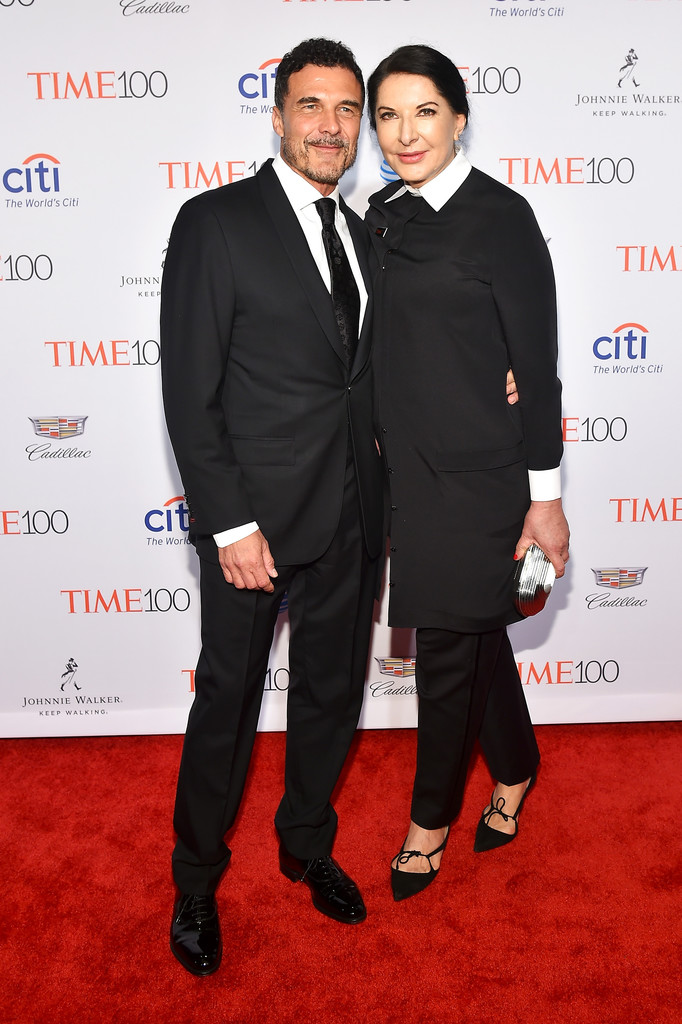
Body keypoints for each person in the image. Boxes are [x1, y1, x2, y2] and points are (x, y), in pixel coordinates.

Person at [160, 38, 385, 975]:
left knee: (333, 692)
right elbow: (190, 391)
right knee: (229, 700)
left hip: (354, 514)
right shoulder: (215, 222)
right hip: (254, 523)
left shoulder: (367, 233)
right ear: (279, 114)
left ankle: (306, 844)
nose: (330, 126)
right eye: (311, 106)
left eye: (346, 109)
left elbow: (372, 375)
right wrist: (230, 522)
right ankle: (196, 881)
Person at [365, 45, 570, 901]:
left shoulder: (503, 217)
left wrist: (545, 502)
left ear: (458, 118)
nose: (405, 133)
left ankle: (428, 823)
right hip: (406, 474)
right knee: (477, 631)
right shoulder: (381, 214)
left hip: (480, 479)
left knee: (449, 651)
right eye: (387, 115)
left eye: (424, 112)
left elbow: (539, 370)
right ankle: (515, 767)